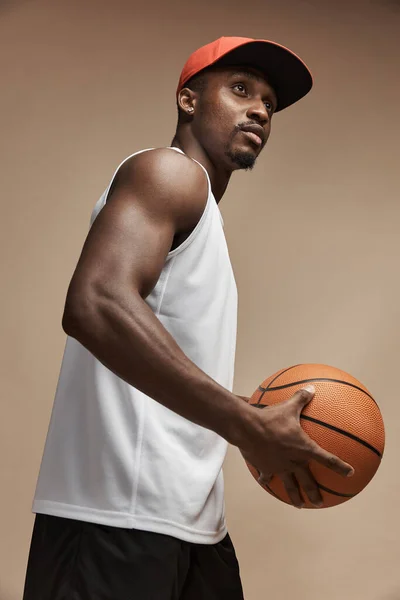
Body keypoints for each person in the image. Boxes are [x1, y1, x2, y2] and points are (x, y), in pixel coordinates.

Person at [23, 36, 354, 600]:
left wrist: (251, 418)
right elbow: (95, 303)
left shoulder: (204, 219)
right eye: (241, 88)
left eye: (269, 104)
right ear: (188, 100)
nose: (259, 109)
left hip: (192, 524)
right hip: (114, 519)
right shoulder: (168, 173)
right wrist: (246, 423)